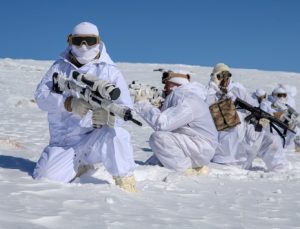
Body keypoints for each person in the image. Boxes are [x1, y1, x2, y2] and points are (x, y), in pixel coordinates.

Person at [33, 22, 137, 192]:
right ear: (70, 41)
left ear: (98, 42)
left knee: (117, 135)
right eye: (78, 41)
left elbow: (125, 109)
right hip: (64, 144)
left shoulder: (110, 72)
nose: (84, 46)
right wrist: (67, 103)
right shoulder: (59, 67)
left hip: (94, 139)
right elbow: (40, 96)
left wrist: (109, 118)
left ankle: (125, 180)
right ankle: (81, 167)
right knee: (45, 179)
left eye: (89, 41)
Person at [206, 63, 290, 172]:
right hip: (225, 155)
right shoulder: (208, 92)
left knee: (271, 140)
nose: (224, 79)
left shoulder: (237, 89)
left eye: (227, 75)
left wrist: (260, 118)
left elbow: (252, 106)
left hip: (246, 134)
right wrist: (216, 89)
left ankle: (281, 170)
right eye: (220, 75)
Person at [134, 71, 218, 174]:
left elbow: (163, 124)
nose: (164, 88)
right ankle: (196, 168)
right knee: (151, 165)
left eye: (167, 84)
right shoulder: (187, 96)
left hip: (199, 147)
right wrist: (157, 107)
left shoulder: (185, 98)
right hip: (193, 146)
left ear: (177, 84)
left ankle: (186, 172)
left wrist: (142, 104)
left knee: (158, 138)